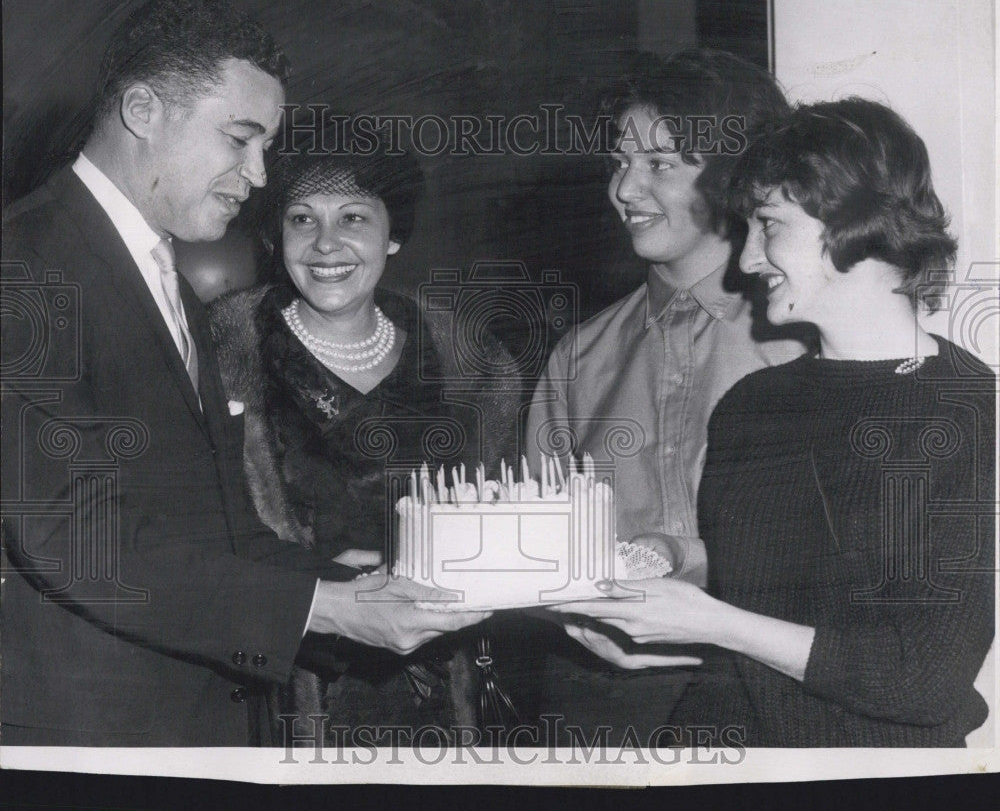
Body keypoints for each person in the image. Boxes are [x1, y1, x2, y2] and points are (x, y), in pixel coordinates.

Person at [1, 0, 487, 748]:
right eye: (239, 139)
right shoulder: (25, 264)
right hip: (94, 737)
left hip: (202, 725)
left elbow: (221, 527)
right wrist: (326, 609)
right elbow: (76, 539)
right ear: (143, 111)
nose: (259, 176)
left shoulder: (160, 273)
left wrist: (345, 583)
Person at [550, 97, 996, 747]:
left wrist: (708, 624)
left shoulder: (965, 410)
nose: (747, 260)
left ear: (851, 222)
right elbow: (756, 649)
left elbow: (920, 683)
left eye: (769, 226)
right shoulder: (754, 405)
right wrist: (659, 639)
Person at [523, 49, 809, 742]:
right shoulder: (580, 354)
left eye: (661, 164)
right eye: (620, 161)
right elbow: (537, 545)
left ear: (738, 177)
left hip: (772, 697)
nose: (626, 188)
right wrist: (565, 611)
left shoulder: (805, 340)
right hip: (602, 705)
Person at [208, 121, 522, 741]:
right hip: (277, 694)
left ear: (393, 233)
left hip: (440, 696)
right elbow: (185, 539)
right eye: (302, 218)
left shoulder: (469, 362)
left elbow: (501, 534)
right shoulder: (222, 348)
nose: (325, 245)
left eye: (353, 217)